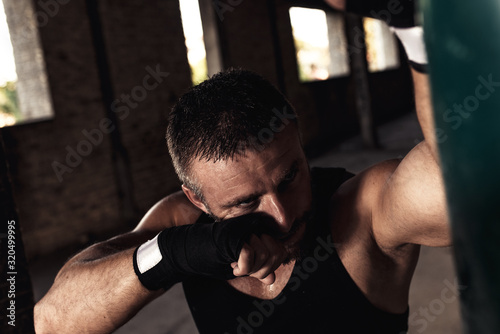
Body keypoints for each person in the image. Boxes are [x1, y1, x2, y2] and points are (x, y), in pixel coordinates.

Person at [34, 0, 450, 333]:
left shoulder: (365, 209)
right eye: (245, 202)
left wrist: (418, 35)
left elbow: (460, 191)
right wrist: (181, 253)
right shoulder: (182, 223)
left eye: (289, 177)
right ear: (196, 197)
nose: (283, 216)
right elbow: (52, 323)